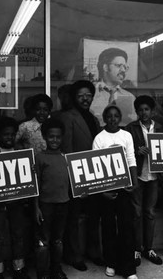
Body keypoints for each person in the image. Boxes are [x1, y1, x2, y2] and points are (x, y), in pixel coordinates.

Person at [92, 105, 138, 279]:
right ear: (104, 118)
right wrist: (102, 190)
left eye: (116, 116)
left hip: (125, 186)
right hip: (107, 188)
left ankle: (129, 269)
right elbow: (95, 165)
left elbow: (131, 158)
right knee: (108, 226)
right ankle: (111, 263)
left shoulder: (126, 135)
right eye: (109, 116)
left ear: (120, 118)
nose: (112, 119)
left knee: (127, 226)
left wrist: (134, 182)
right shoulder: (99, 138)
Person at [60, 80, 102, 271]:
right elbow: (67, 149)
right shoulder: (68, 117)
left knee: (94, 215)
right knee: (75, 218)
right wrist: (74, 179)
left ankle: (93, 252)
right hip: (76, 176)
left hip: (94, 174)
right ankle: (75, 256)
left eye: (88, 95)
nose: (85, 99)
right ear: (74, 98)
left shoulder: (93, 118)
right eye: (80, 96)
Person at [0, 117, 30, 279]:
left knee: (18, 236)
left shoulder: (20, 151)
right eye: (6, 134)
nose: (9, 138)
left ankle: (18, 269)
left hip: (17, 203)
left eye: (12, 135)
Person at [125, 95, 163, 266]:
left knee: (149, 213)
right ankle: (136, 249)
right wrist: (135, 150)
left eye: (146, 109)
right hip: (138, 175)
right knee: (136, 213)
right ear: (136, 111)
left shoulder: (160, 127)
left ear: (152, 111)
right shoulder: (130, 128)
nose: (143, 112)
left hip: (154, 177)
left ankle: (149, 248)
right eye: (140, 110)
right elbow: (124, 150)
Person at [34, 118, 70, 279]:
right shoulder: (39, 158)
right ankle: (43, 273)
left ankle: (56, 270)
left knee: (58, 241)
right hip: (45, 206)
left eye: (58, 137)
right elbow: (35, 186)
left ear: (62, 138)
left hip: (63, 204)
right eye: (51, 136)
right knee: (44, 242)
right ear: (44, 137)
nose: (54, 140)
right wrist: (36, 207)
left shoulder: (66, 157)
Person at [91, 48, 137, 125]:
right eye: (119, 66)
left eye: (125, 67)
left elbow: (133, 123)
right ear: (105, 67)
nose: (123, 70)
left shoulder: (130, 97)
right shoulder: (92, 95)